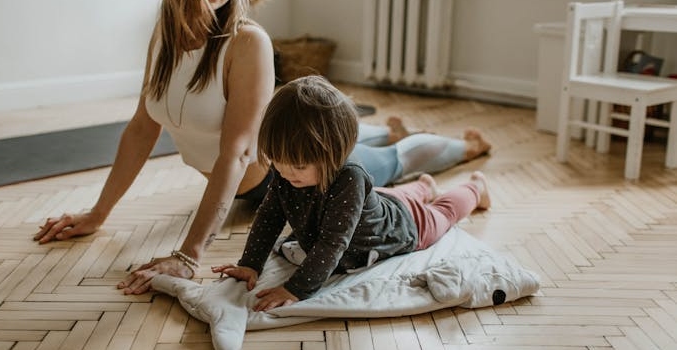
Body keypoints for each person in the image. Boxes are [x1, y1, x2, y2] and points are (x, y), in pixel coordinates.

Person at [33, 0, 490, 295]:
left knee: (392, 162)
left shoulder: (247, 41)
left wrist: (189, 255)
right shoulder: (164, 37)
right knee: (374, 153)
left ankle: (462, 148)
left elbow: (235, 154)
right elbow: (140, 128)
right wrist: (98, 214)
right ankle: (387, 134)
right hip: (291, 161)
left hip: (286, 174)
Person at [212, 76, 491, 311]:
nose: (285, 173)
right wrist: (250, 263)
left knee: (443, 212)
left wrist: (296, 289)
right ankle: (424, 186)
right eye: (278, 162)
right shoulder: (288, 172)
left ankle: (475, 188)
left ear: (333, 153)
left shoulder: (350, 177)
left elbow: (333, 243)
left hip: (403, 225)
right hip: (378, 201)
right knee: (392, 197)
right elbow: (270, 215)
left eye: (297, 166)